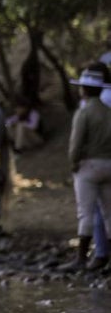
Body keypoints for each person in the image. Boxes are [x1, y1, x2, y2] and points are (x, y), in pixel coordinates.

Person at [63, 65, 111, 272]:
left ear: (83, 89)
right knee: (110, 213)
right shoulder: (109, 112)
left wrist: (73, 162)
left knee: (86, 213)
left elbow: (76, 143)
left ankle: (81, 258)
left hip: (89, 165)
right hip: (109, 164)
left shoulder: (84, 112)